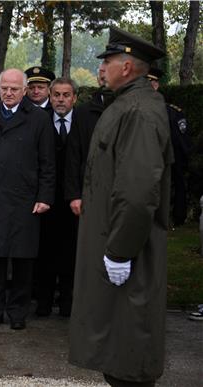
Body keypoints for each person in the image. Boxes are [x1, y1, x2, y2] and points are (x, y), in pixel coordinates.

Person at [68, 27, 172, 387]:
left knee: (130, 348)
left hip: (129, 252)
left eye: (108, 61)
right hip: (116, 242)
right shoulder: (128, 104)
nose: (103, 68)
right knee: (118, 346)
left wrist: (119, 250)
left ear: (127, 67)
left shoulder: (139, 111)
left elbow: (139, 191)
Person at [0, 68, 55, 330]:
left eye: (14, 89)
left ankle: (17, 312)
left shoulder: (38, 119)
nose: (8, 93)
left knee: (22, 259)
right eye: (4, 88)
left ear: (25, 90)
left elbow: (47, 163)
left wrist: (45, 196)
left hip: (24, 200)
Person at [35, 77, 78, 318]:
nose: (61, 99)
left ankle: (67, 303)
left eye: (66, 95)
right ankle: (43, 302)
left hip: (72, 200)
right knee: (45, 253)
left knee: (70, 253)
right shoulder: (41, 121)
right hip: (45, 199)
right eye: (57, 95)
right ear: (50, 98)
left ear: (74, 98)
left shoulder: (82, 122)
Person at [63, 70, 114, 217]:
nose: (106, 81)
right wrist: (74, 195)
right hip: (89, 189)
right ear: (98, 80)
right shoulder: (82, 113)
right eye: (103, 78)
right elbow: (73, 156)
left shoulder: (131, 108)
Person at [147, 67, 192, 227]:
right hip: (148, 161)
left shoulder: (172, 112)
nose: (149, 86)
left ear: (157, 85)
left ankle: (177, 218)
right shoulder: (137, 110)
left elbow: (181, 141)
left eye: (151, 82)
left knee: (176, 187)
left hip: (172, 160)